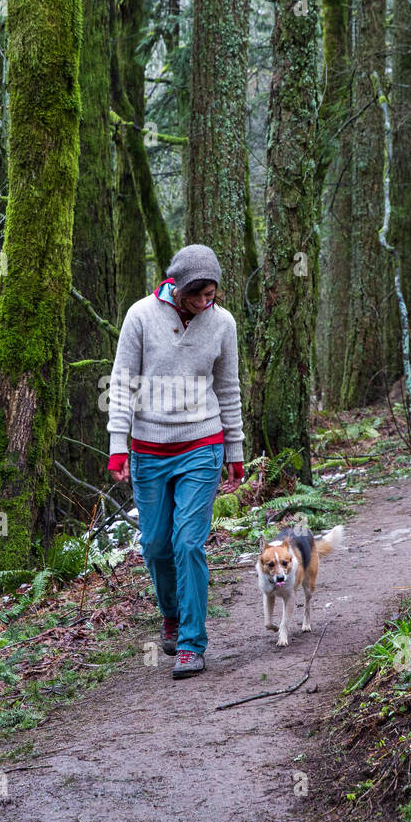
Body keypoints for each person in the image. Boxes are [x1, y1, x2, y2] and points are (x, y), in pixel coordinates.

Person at [106, 244, 245, 679]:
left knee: (188, 543)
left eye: (212, 294)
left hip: (203, 444)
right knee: (156, 546)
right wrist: (117, 444)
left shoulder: (222, 324)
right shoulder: (141, 316)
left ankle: (191, 642)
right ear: (179, 288)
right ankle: (171, 613)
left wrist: (235, 451)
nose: (207, 302)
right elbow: (123, 382)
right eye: (199, 294)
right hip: (149, 448)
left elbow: (228, 389)